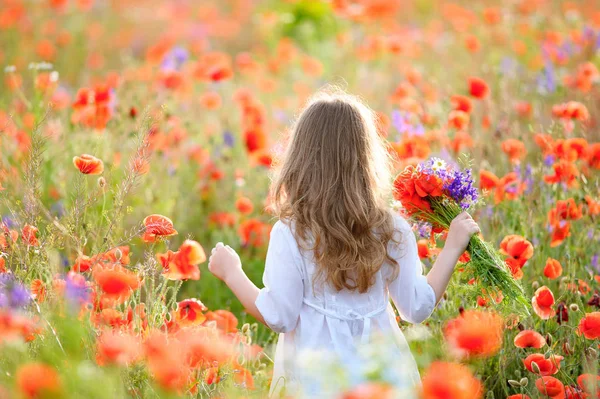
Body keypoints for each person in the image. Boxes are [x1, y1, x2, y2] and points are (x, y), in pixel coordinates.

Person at [208, 89, 480, 397]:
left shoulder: (292, 232)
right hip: (382, 371)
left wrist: (232, 273)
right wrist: (453, 247)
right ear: (367, 158)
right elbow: (416, 308)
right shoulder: (391, 227)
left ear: (300, 158)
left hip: (317, 378)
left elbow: (280, 316)